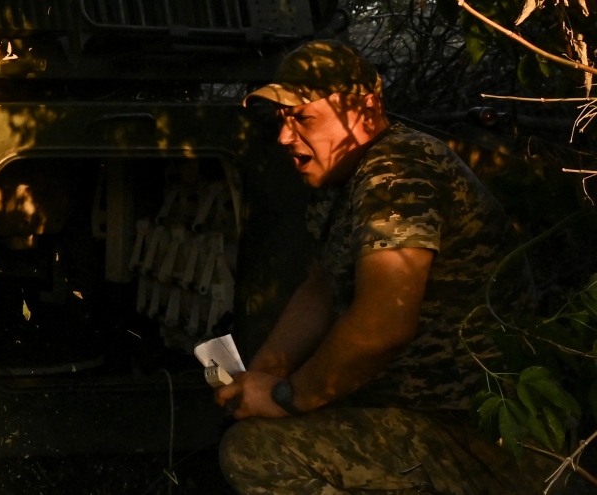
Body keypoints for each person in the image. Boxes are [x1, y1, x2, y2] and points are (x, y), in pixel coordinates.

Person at [217, 39, 550, 495]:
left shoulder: (398, 170)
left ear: (367, 110)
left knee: (256, 454)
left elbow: (383, 325)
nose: (285, 137)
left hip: (478, 435)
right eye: (282, 119)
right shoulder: (342, 177)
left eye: (304, 118)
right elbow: (318, 290)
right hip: (411, 414)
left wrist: (285, 398)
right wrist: (263, 375)